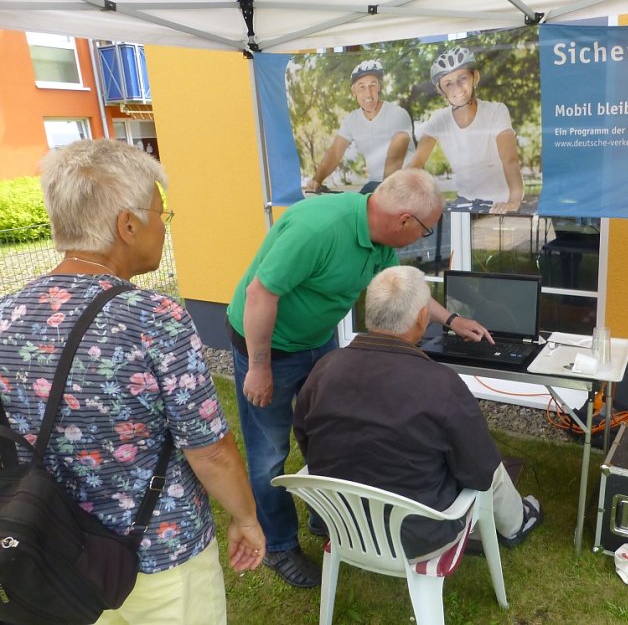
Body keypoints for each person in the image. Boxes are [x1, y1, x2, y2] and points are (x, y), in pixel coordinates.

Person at [0, 139, 265, 624]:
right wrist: (246, 518)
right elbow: (210, 450)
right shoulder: (152, 317)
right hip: (160, 552)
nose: (163, 227)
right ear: (127, 225)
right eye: (161, 215)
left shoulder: (6, 313)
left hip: (60, 551)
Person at [227, 168, 493, 587]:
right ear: (405, 220)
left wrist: (452, 319)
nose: (425, 239)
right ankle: (279, 545)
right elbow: (262, 294)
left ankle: (327, 513)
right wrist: (260, 367)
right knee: (268, 454)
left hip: (316, 338)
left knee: (326, 427)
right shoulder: (319, 227)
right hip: (268, 346)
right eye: (426, 230)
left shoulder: (379, 240)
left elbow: (407, 289)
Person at [293, 265, 543, 558]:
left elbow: (306, 441)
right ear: (423, 318)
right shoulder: (441, 383)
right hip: (419, 535)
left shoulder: (324, 369)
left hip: (342, 522)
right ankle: (516, 524)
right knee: (492, 467)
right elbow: (478, 471)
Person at [409, 45, 524, 214]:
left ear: (474, 77)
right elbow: (416, 163)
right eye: (448, 83)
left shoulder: (496, 111)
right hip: (466, 201)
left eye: (462, 78)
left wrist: (513, 202)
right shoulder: (440, 118)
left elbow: (510, 160)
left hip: (500, 201)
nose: (457, 88)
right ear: (441, 90)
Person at [305, 59, 415, 194]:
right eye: (361, 87)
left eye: (373, 85)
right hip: (377, 188)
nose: (368, 93)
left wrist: (385, 191)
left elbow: (396, 154)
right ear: (354, 92)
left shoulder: (397, 114)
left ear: (379, 87)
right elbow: (335, 152)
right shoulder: (352, 120)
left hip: (404, 185)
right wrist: (316, 180)